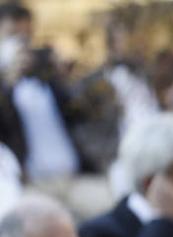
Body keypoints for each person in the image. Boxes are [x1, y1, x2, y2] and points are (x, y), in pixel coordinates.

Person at [0, 3, 111, 221]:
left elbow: (86, 115)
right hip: (32, 186)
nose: (22, 44)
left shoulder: (48, 81)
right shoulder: (5, 87)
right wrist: (7, 81)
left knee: (115, 215)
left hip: (75, 179)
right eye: (13, 35)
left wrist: (66, 78)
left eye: (27, 36)